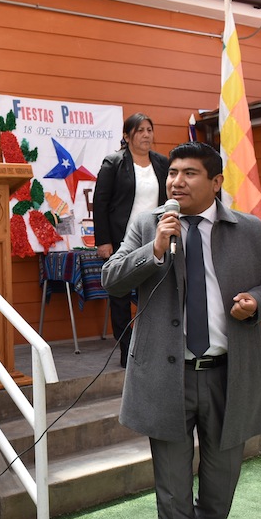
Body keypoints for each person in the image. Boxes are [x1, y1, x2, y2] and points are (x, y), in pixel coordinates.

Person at [102, 142, 261, 519]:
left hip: (228, 375)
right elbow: (111, 279)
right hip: (165, 376)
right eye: (173, 173)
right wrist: (154, 249)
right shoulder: (147, 224)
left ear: (216, 182)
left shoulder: (248, 230)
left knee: (220, 477)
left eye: (189, 173)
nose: (177, 181)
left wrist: (257, 301)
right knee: (172, 483)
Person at [93, 113, 169, 367]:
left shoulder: (162, 163)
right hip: (122, 238)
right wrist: (104, 241)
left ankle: (155, 346)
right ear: (127, 136)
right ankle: (127, 350)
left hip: (156, 238)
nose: (147, 135)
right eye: (140, 130)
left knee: (157, 291)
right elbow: (100, 203)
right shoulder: (114, 162)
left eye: (149, 129)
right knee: (121, 296)